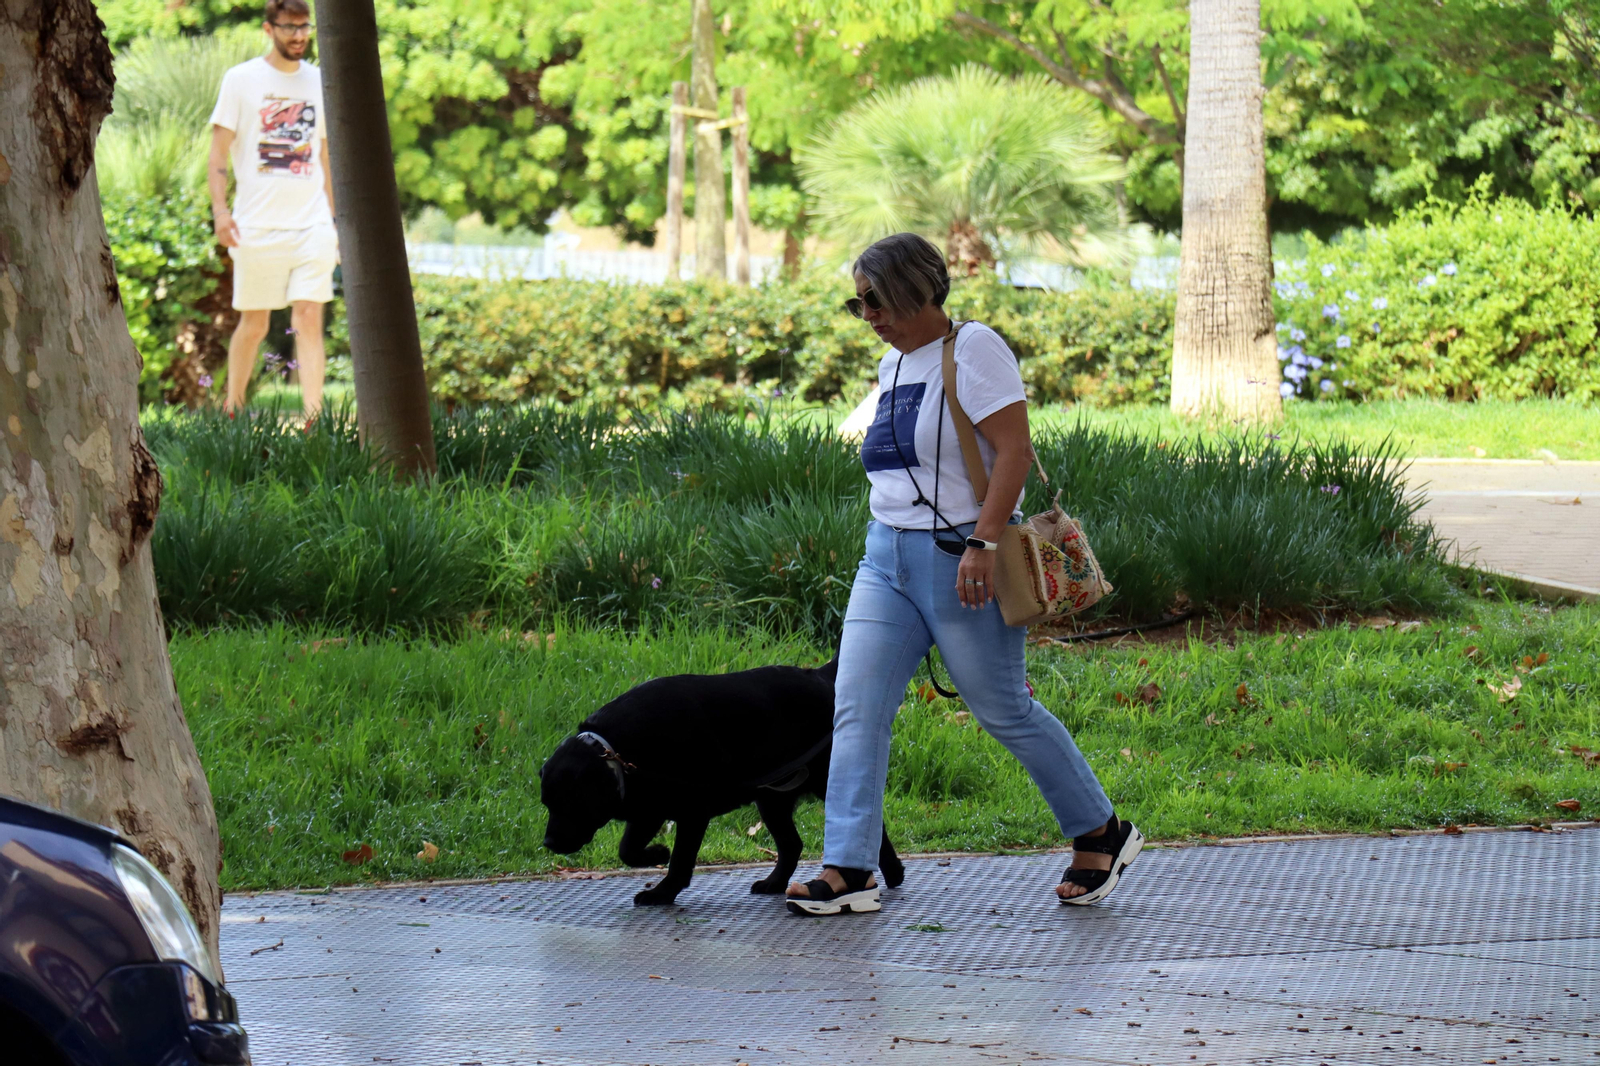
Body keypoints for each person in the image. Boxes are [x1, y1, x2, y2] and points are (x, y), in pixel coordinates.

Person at [786, 233, 1143, 916]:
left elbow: (1014, 450)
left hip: (961, 562)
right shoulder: (895, 366)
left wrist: (982, 542)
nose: (868, 316)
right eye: (857, 304)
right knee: (856, 706)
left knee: (1002, 709)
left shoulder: (973, 349)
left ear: (918, 290)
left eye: (876, 300)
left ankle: (1100, 829)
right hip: (884, 558)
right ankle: (850, 867)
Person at [208, 0, 338, 421]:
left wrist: (334, 223)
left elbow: (325, 156)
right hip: (256, 227)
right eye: (289, 27)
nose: (299, 35)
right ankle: (234, 411)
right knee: (255, 326)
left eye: (305, 27)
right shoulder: (241, 80)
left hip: (312, 224)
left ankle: (315, 422)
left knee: (308, 317)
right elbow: (218, 155)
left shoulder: (320, 81)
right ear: (269, 29)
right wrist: (220, 213)